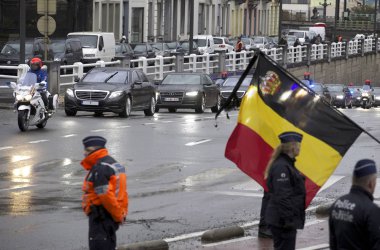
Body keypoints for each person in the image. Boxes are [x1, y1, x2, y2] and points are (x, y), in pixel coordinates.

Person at [81, 136, 128, 250]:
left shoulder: (100, 168)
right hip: (110, 216)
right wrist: (120, 214)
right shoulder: (114, 164)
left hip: (101, 217)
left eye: (87, 150)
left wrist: (117, 216)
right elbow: (122, 193)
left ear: (95, 150)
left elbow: (105, 196)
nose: (84, 153)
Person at [265, 132, 306, 250]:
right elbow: (283, 196)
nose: (300, 148)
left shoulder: (287, 164)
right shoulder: (282, 167)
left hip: (283, 219)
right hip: (282, 221)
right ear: (293, 146)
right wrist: (289, 220)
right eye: (299, 145)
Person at [329, 159, 380, 249]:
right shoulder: (371, 210)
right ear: (371, 184)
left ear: (353, 180)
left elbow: (333, 243)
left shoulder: (337, 204)